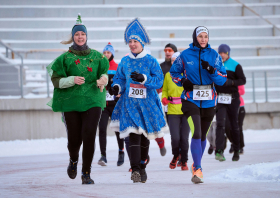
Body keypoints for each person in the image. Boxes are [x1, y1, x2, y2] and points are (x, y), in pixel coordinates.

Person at [47, 14, 109, 184]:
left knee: (89, 135)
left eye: (82, 34)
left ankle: (86, 173)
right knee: (74, 140)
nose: (80, 37)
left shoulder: (98, 57)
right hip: (71, 101)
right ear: (73, 37)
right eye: (77, 34)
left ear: (86, 36)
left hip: (93, 100)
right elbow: (56, 80)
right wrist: (71, 80)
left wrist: (104, 79)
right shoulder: (64, 58)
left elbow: (104, 73)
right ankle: (73, 160)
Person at [109, 18, 167, 183]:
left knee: (143, 137)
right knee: (132, 135)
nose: (132, 44)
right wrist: (117, 88)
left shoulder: (151, 60)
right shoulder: (125, 61)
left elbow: (159, 81)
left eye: (135, 41)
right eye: (130, 41)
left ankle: (142, 164)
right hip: (129, 104)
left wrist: (144, 79)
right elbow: (119, 79)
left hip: (147, 105)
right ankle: (135, 169)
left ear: (141, 43)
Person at [170, 26, 227, 184]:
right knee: (196, 131)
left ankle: (196, 165)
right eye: (200, 36)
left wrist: (212, 70)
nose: (203, 39)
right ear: (195, 37)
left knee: (202, 135)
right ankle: (199, 169)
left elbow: (222, 79)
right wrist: (182, 81)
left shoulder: (214, 55)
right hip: (191, 99)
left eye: (205, 36)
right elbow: (173, 73)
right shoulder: (185, 55)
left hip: (209, 100)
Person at [215, 44, 246, 162]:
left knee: (234, 125)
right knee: (220, 124)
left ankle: (237, 149)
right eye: (220, 53)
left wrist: (231, 82)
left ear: (228, 53)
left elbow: (242, 80)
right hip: (220, 99)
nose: (222, 55)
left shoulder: (235, 65)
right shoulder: (216, 65)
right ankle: (219, 151)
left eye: (224, 53)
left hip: (233, 99)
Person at [97, 42, 125, 167]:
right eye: (105, 53)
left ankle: (121, 151)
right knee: (102, 129)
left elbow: (122, 82)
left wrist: (119, 93)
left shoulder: (117, 66)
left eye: (108, 52)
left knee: (117, 129)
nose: (106, 54)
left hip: (114, 104)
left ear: (112, 54)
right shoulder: (100, 67)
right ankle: (103, 156)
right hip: (103, 104)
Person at [162, 52, 190, 171]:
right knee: (175, 137)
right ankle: (175, 156)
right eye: (173, 61)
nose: (175, 63)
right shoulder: (168, 75)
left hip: (186, 110)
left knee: (184, 138)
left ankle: (184, 161)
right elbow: (165, 90)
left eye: (177, 61)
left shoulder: (188, 75)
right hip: (172, 111)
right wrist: (164, 98)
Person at [155, 43, 178, 156]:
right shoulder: (161, 67)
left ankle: (178, 154)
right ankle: (161, 143)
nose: (167, 52)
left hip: (179, 103)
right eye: (166, 50)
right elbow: (157, 82)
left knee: (178, 130)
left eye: (170, 50)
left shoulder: (180, 67)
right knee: (172, 130)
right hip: (165, 102)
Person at [228, 85, 246, 154]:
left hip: (239, 106)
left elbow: (242, 91)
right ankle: (234, 143)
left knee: (238, 127)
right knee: (228, 127)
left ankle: (240, 146)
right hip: (228, 107)